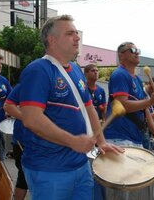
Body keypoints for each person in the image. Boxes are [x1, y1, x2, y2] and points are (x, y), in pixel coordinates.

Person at [19, 15, 123, 200]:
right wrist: (72, 141)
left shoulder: (75, 69)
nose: (77, 37)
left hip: (80, 165)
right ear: (53, 40)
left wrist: (101, 141)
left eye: (77, 33)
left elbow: (89, 108)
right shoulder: (38, 70)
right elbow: (31, 119)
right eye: (70, 33)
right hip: (49, 169)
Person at [104, 41, 154, 148]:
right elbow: (122, 105)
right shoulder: (120, 74)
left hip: (135, 137)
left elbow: (144, 109)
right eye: (133, 50)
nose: (137, 53)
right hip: (119, 137)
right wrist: (150, 101)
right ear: (121, 55)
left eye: (138, 51)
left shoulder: (138, 80)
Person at [3, 84, 30, 200]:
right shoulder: (23, 87)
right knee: (23, 176)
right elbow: (7, 107)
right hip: (22, 140)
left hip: (44, 141)